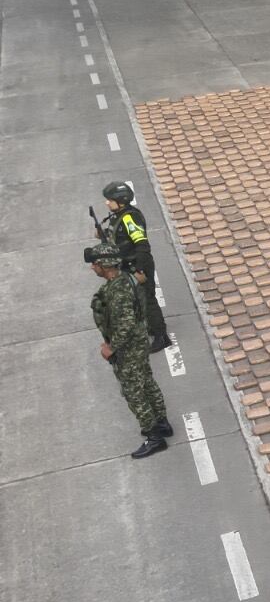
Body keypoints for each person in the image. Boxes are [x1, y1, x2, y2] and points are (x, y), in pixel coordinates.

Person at [87, 242, 172, 459]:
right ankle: (162, 423)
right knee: (147, 380)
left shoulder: (118, 291)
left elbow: (125, 324)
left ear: (104, 266)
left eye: (95, 264)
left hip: (129, 348)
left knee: (133, 392)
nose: (92, 268)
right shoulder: (126, 280)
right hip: (139, 342)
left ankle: (154, 437)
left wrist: (110, 348)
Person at [100, 181, 171, 352]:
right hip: (126, 265)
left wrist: (139, 270)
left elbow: (142, 245)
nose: (106, 203)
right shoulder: (118, 215)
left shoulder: (130, 218)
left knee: (147, 299)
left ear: (121, 201)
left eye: (109, 200)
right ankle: (150, 326)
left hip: (137, 265)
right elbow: (119, 239)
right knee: (137, 300)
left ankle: (161, 336)